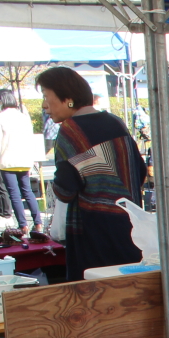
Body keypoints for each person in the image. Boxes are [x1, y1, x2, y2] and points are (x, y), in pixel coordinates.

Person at [37, 66, 146, 280]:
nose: (44, 105)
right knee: (128, 284)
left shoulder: (71, 130)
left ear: (68, 99)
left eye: (46, 96)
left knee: (94, 289)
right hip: (129, 224)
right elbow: (140, 171)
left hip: (92, 231)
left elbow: (65, 190)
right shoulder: (115, 122)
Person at [0, 88, 43, 234]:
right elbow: (30, 140)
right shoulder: (24, 117)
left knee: (14, 194)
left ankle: (23, 225)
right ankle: (38, 223)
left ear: (2, 100)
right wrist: (32, 161)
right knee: (28, 191)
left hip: (7, 161)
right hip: (24, 160)